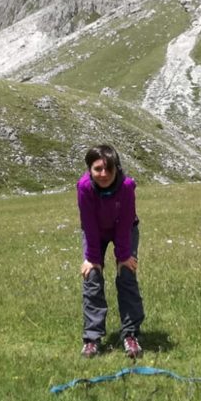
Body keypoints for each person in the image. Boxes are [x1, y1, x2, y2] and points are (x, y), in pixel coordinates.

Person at [76, 144, 145, 358]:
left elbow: (125, 223)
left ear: (117, 168)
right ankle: (92, 338)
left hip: (124, 229)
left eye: (108, 169)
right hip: (95, 230)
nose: (103, 174)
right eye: (97, 169)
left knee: (127, 274)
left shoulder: (126, 186)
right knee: (92, 276)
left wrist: (124, 257)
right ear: (90, 170)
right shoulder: (84, 187)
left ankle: (130, 335)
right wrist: (93, 259)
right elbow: (88, 223)